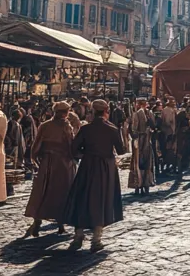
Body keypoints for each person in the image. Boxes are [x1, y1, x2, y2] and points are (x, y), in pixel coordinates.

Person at [63, 99, 126, 251]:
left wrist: (86, 152)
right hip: (105, 168)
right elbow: (121, 150)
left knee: (82, 197)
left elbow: (74, 149)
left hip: (87, 166)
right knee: (102, 199)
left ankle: (78, 235)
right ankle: (96, 239)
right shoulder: (112, 129)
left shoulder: (86, 129)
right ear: (106, 111)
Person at [24, 101, 76, 237]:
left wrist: (37, 159)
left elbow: (36, 146)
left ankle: (37, 222)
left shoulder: (45, 125)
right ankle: (60, 224)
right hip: (62, 164)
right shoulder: (66, 126)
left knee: (43, 191)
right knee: (61, 192)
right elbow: (70, 145)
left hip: (47, 163)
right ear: (65, 112)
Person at [128, 98, 156, 195]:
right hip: (147, 140)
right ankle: (146, 184)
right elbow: (153, 126)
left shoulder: (138, 113)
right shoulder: (149, 113)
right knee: (146, 162)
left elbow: (134, 129)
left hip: (140, 141)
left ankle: (138, 185)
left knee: (138, 163)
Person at [160, 98, 177, 175]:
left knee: (167, 150)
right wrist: (171, 129)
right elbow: (168, 121)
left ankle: (167, 165)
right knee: (169, 149)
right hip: (169, 132)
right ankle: (168, 166)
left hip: (166, 131)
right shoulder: (169, 110)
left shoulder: (165, 110)